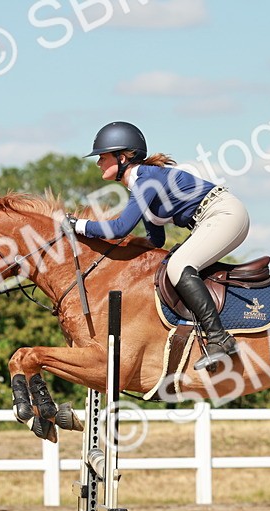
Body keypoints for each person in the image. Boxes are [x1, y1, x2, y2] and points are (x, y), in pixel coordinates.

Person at [66, 121, 249, 371]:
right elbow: (156, 241)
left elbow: (120, 228)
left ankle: (220, 339)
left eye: (102, 156)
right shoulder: (143, 186)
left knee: (179, 265)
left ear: (122, 158)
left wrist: (78, 226)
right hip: (214, 218)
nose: (98, 162)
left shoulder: (145, 180)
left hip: (224, 214)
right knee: (169, 263)